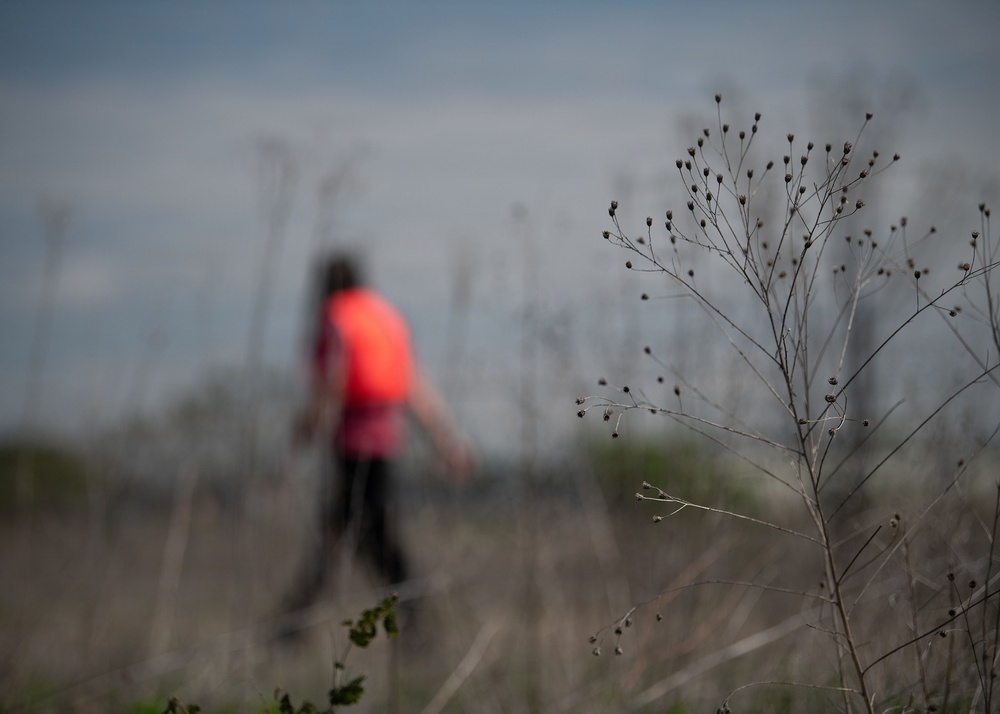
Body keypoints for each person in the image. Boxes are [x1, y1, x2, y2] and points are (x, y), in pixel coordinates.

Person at [280, 252, 473, 625]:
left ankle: (411, 613)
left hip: (352, 443)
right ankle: (294, 623)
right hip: (386, 440)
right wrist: (447, 441)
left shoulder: (334, 318)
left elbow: (333, 381)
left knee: (362, 537)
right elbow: (413, 384)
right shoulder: (384, 317)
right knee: (350, 533)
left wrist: (307, 428)